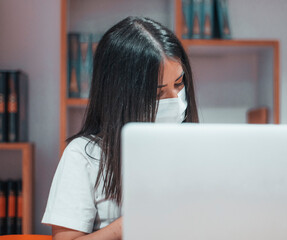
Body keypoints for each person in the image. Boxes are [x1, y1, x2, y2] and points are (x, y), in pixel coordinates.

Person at [42, 16, 199, 240]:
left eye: (179, 83)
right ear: (121, 95)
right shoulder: (84, 155)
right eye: (157, 92)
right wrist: (131, 224)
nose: (175, 100)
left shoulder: (196, 146)